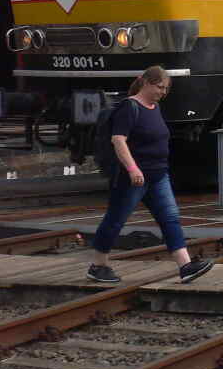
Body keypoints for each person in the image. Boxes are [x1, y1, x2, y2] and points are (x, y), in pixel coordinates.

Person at [86, 66, 213, 285]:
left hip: (158, 176)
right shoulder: (129, 107)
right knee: (115, 220)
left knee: (170, 219)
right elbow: (118, 140)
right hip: (133, 178)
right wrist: (132, 169)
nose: (163, 92)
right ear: (146, 83)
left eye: (166, 89)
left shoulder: (155, 108)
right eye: (160, 87)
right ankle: (98, 265)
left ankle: (185, 266)